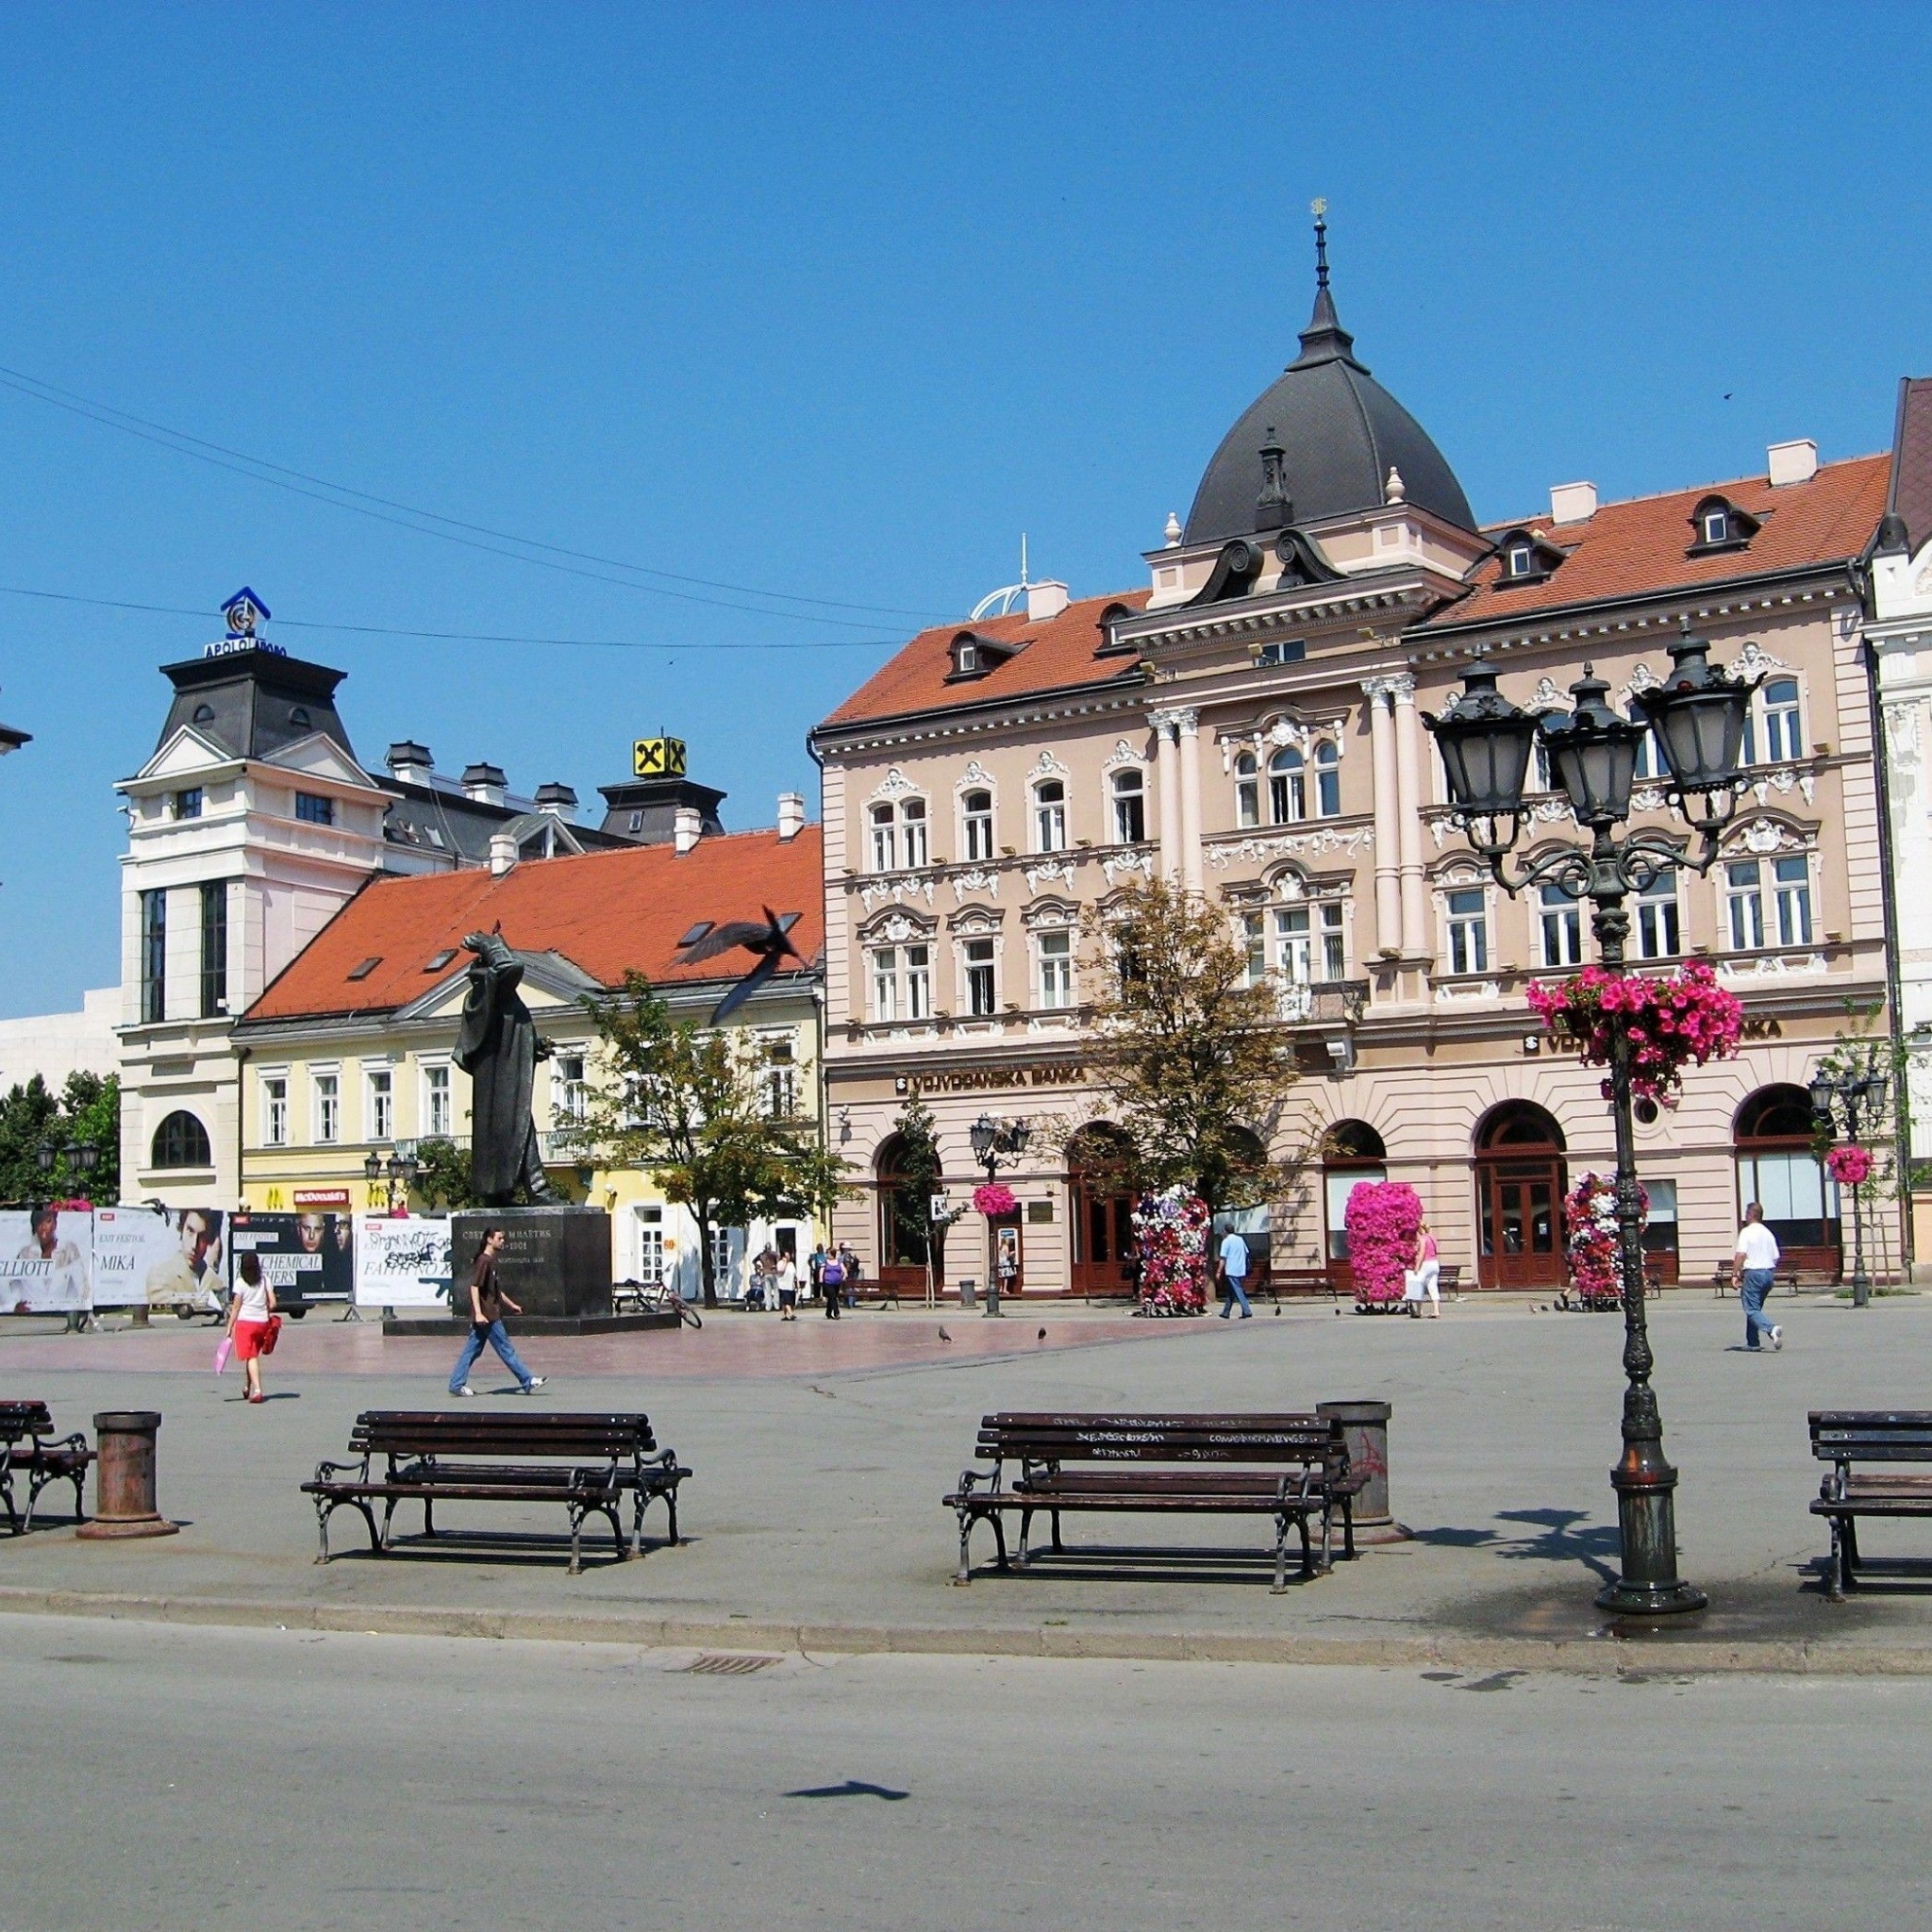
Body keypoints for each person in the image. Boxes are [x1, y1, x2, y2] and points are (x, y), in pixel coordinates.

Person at [448, 1227, 548, 1395]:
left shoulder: (491, 1261)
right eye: (500, 1238)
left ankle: (456, 1384)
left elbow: (495, 1291)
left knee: (471, 1351)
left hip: (488, 1315)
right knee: (506, 1349)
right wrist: (479, 1313)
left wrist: (511, 1305)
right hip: (488, 1316)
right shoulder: (484, 1261)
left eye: (503, 1238)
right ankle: (527, 1380)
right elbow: (474, 1288)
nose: (503, 1241)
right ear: (489, 1239)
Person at [226, 1251, 277, 1404]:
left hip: (245, 1323)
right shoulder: (264, 1280)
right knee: (252, 1355)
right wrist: (265, 1311)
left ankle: (258, 1391)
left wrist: (229, 1327)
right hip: (262, 1323)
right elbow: (273, 1303)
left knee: (251, 1357)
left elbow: (236, 1308)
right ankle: (247, 1387)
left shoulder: (240, 1283)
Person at [1733, 1202, 1783, 1352]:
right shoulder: (1768, 1233)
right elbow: (1775, 1257)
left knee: (1751, 1309)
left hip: (1753, 1273)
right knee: (1755, 1309)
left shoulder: (1747, 1232)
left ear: (1749, 1215)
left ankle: (1772, 1329)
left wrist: (1735, 1274)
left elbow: (1740, 1254)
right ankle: (1753, 1342)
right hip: (1768, 1274)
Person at [1405, 1219, 1441, 1319]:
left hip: (1426, 1264)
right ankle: (1436, 1310)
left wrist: (1417, 1267)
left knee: (1418, 1286)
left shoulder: (1423, 1239)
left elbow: (1422, 1254)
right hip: (1435, 1263)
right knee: (1433, 1287)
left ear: (1420, 1229)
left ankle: (1419, 1311)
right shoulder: (1433, 1238)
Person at [1217, 1225, 1254, 1319]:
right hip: (1241, 1268)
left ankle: (1247, 1310)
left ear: (1225, 1231)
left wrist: (1219, 1271)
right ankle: (1226, 1312)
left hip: (1231, 1269)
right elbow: (1246, 1252)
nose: (1222, 1233)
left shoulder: (1226, 1241)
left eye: (1222, 1231)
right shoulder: (1240, 1239)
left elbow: (1223, 1258)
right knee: (1231, 1291)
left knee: (1238, 1290)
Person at [775, 1248, 800, 1321]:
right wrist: (785, 1263)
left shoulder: (792, 1264)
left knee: (790, 1302)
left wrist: (797, 1283)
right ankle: (791, 1314)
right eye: (786, 1256)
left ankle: (784, 1315)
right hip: (783, 1285)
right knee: (787, 1301)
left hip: (791, 1285)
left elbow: (795, 1274)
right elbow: (781, 1271)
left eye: (788, 1256)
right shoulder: (780, 1263)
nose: (787, 1257)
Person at [820, 1245, 844, 1319]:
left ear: (832, 1254)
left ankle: (828, 1313)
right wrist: (821, 1278)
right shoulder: (825, 1261)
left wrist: (843, 1275)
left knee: (831, 1298)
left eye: (828, 1253)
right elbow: (822, 1270)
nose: (827, 1255)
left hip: (837, 1283)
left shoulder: (838, 1261)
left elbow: (843, 1269)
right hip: (828, 1282)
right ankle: (837, 1313)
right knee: (833, 1297)